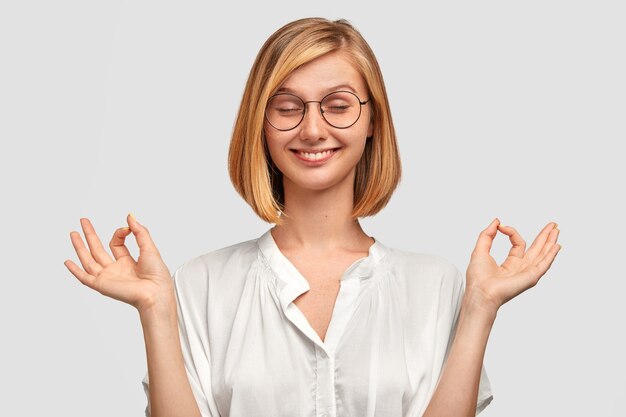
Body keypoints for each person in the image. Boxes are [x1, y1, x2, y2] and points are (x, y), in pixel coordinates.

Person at [64, 17, 561, 417]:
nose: (313, 128)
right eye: (287, 107)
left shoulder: (436, 286)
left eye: (338, 105)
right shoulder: (199, 285)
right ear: (260, 124)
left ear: (372, 121)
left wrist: (480, 308)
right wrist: (155, 307)